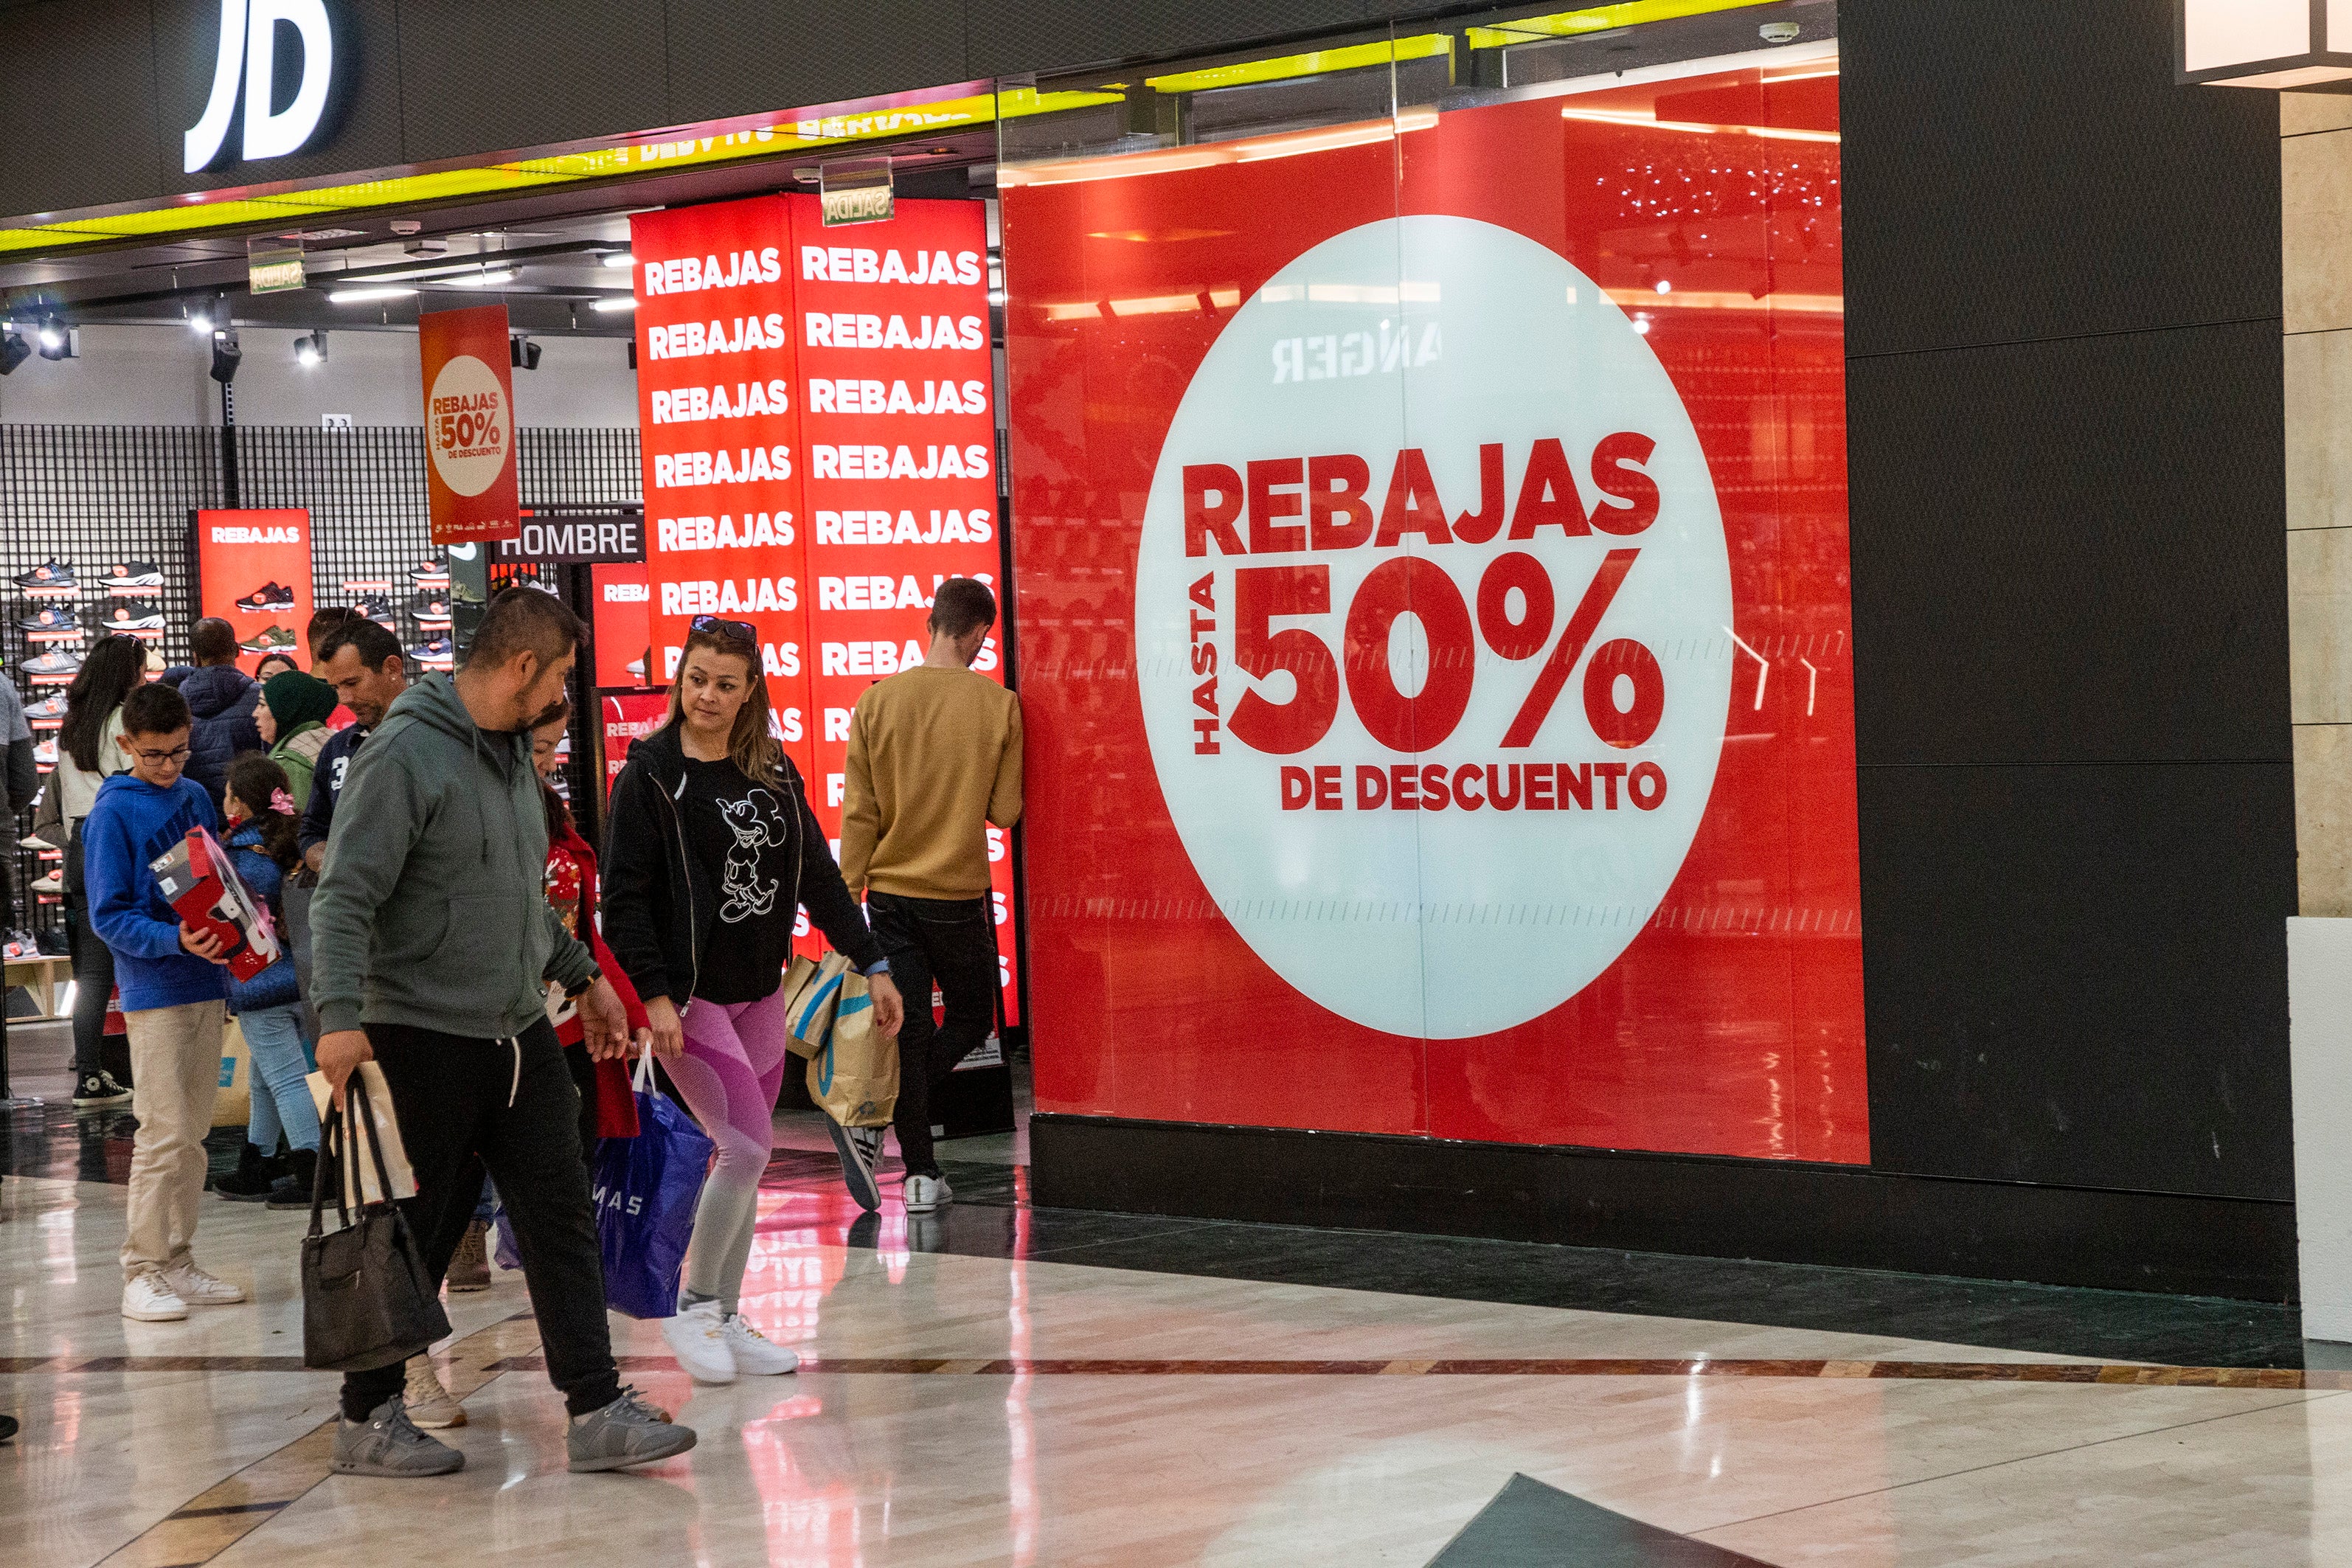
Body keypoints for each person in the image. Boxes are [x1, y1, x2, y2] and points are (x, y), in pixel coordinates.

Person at [310, 586, 696, 1478]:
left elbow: (521, 896)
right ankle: (364, 1416)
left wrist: (584, 976)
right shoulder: (404, 754)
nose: (562, 690)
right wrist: (337, 1019)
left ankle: (596, 1405)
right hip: (419, 1034)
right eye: (559, 673)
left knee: (560, 1216)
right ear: (523, 666)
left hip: (517, 1033)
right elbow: (344, 898)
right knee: (416, 1230)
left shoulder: (512, 757)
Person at [603, 615, 903, 1386]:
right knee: (744, 1146)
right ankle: (695, 1306)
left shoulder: (772, 769)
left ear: (749, 690)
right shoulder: (650, 774)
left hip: (759, 989)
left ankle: (725, 1311)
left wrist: (873, 959)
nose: (707, 693)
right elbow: (625, 898)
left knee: (747, 1152)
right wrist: (655, 995)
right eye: (697, 677)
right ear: (681, 678)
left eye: (724, 683)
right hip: (692, 996)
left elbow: (819, 878)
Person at [835, 579, 1022, 1216]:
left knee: (908, 1032)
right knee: (970, 1018)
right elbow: (1005, 810)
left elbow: (858, 814)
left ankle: (919, 1173)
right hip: (958, 895)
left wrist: (848, 898)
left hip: (885, 896)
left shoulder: (877, 702)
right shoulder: (998, 706)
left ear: (930, 622)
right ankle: (894, 1119)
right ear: (976, 634)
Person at [83, 681, 238, 1322]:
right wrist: (173, 936)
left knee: (195, 1137)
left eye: (178, 752)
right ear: (126, 745)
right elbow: (108, 916)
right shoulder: (112, 813)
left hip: (209, 983)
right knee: (161, 1135)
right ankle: (141, 1269)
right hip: (154, 991)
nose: (169, 766)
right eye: (154, 755)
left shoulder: (198, 794)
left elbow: (215, 876)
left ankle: (177, 1257)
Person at [206, 754, 322, 1211]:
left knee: (287, 1079)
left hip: (259, 985)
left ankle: (314, 1168)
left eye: (228, 791)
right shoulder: (294, 847)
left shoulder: (236, 859)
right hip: (302, 980)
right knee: (268, 1075)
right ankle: (258, 1160)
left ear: (240, 800)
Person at [54, 635, 146, 1108]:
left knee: (91, 972)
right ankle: (145, 1069)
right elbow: (134, 782)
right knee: (138, 954)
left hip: (78, 846)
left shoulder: (69, 726)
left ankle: (89, 1075)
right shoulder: (120, 723)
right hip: (114, 837)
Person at [163, 618, 261, 811]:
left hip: (193, 813)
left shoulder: (173, 702)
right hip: (247, 813)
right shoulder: (261, 698)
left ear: (196, 657)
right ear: (236, 649)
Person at [257, 671, 336, 809]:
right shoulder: (332, 742)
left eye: (262, 705)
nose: (255, 713)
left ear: (286, 710)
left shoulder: (290, 764)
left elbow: (293, 827)